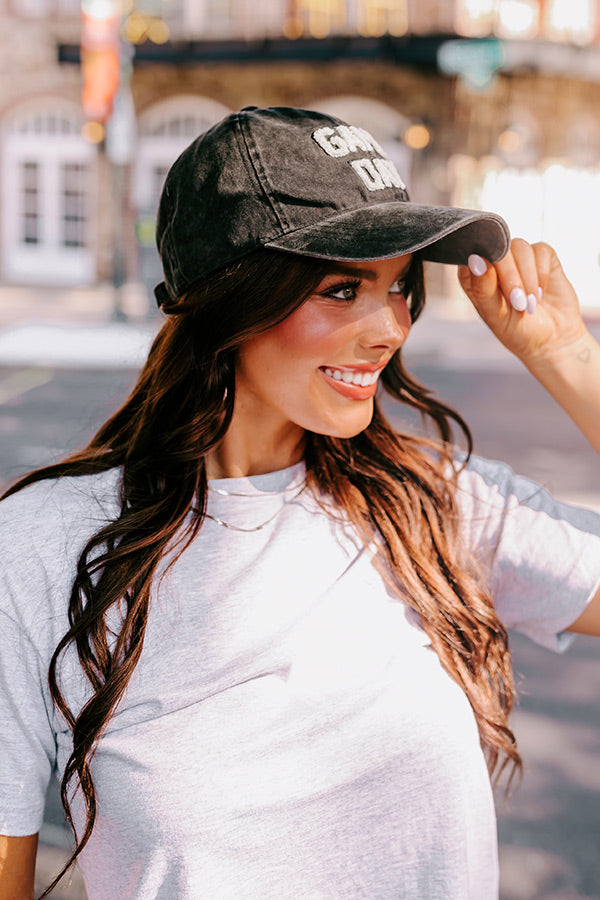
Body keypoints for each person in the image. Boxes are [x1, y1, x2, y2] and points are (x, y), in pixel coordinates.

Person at [0, 105, 599, 900]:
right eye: (344, 288)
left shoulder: (429, 501)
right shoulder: (48, 543)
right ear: (230, 302)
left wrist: (567, 356)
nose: (389, 328)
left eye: (399, 288)